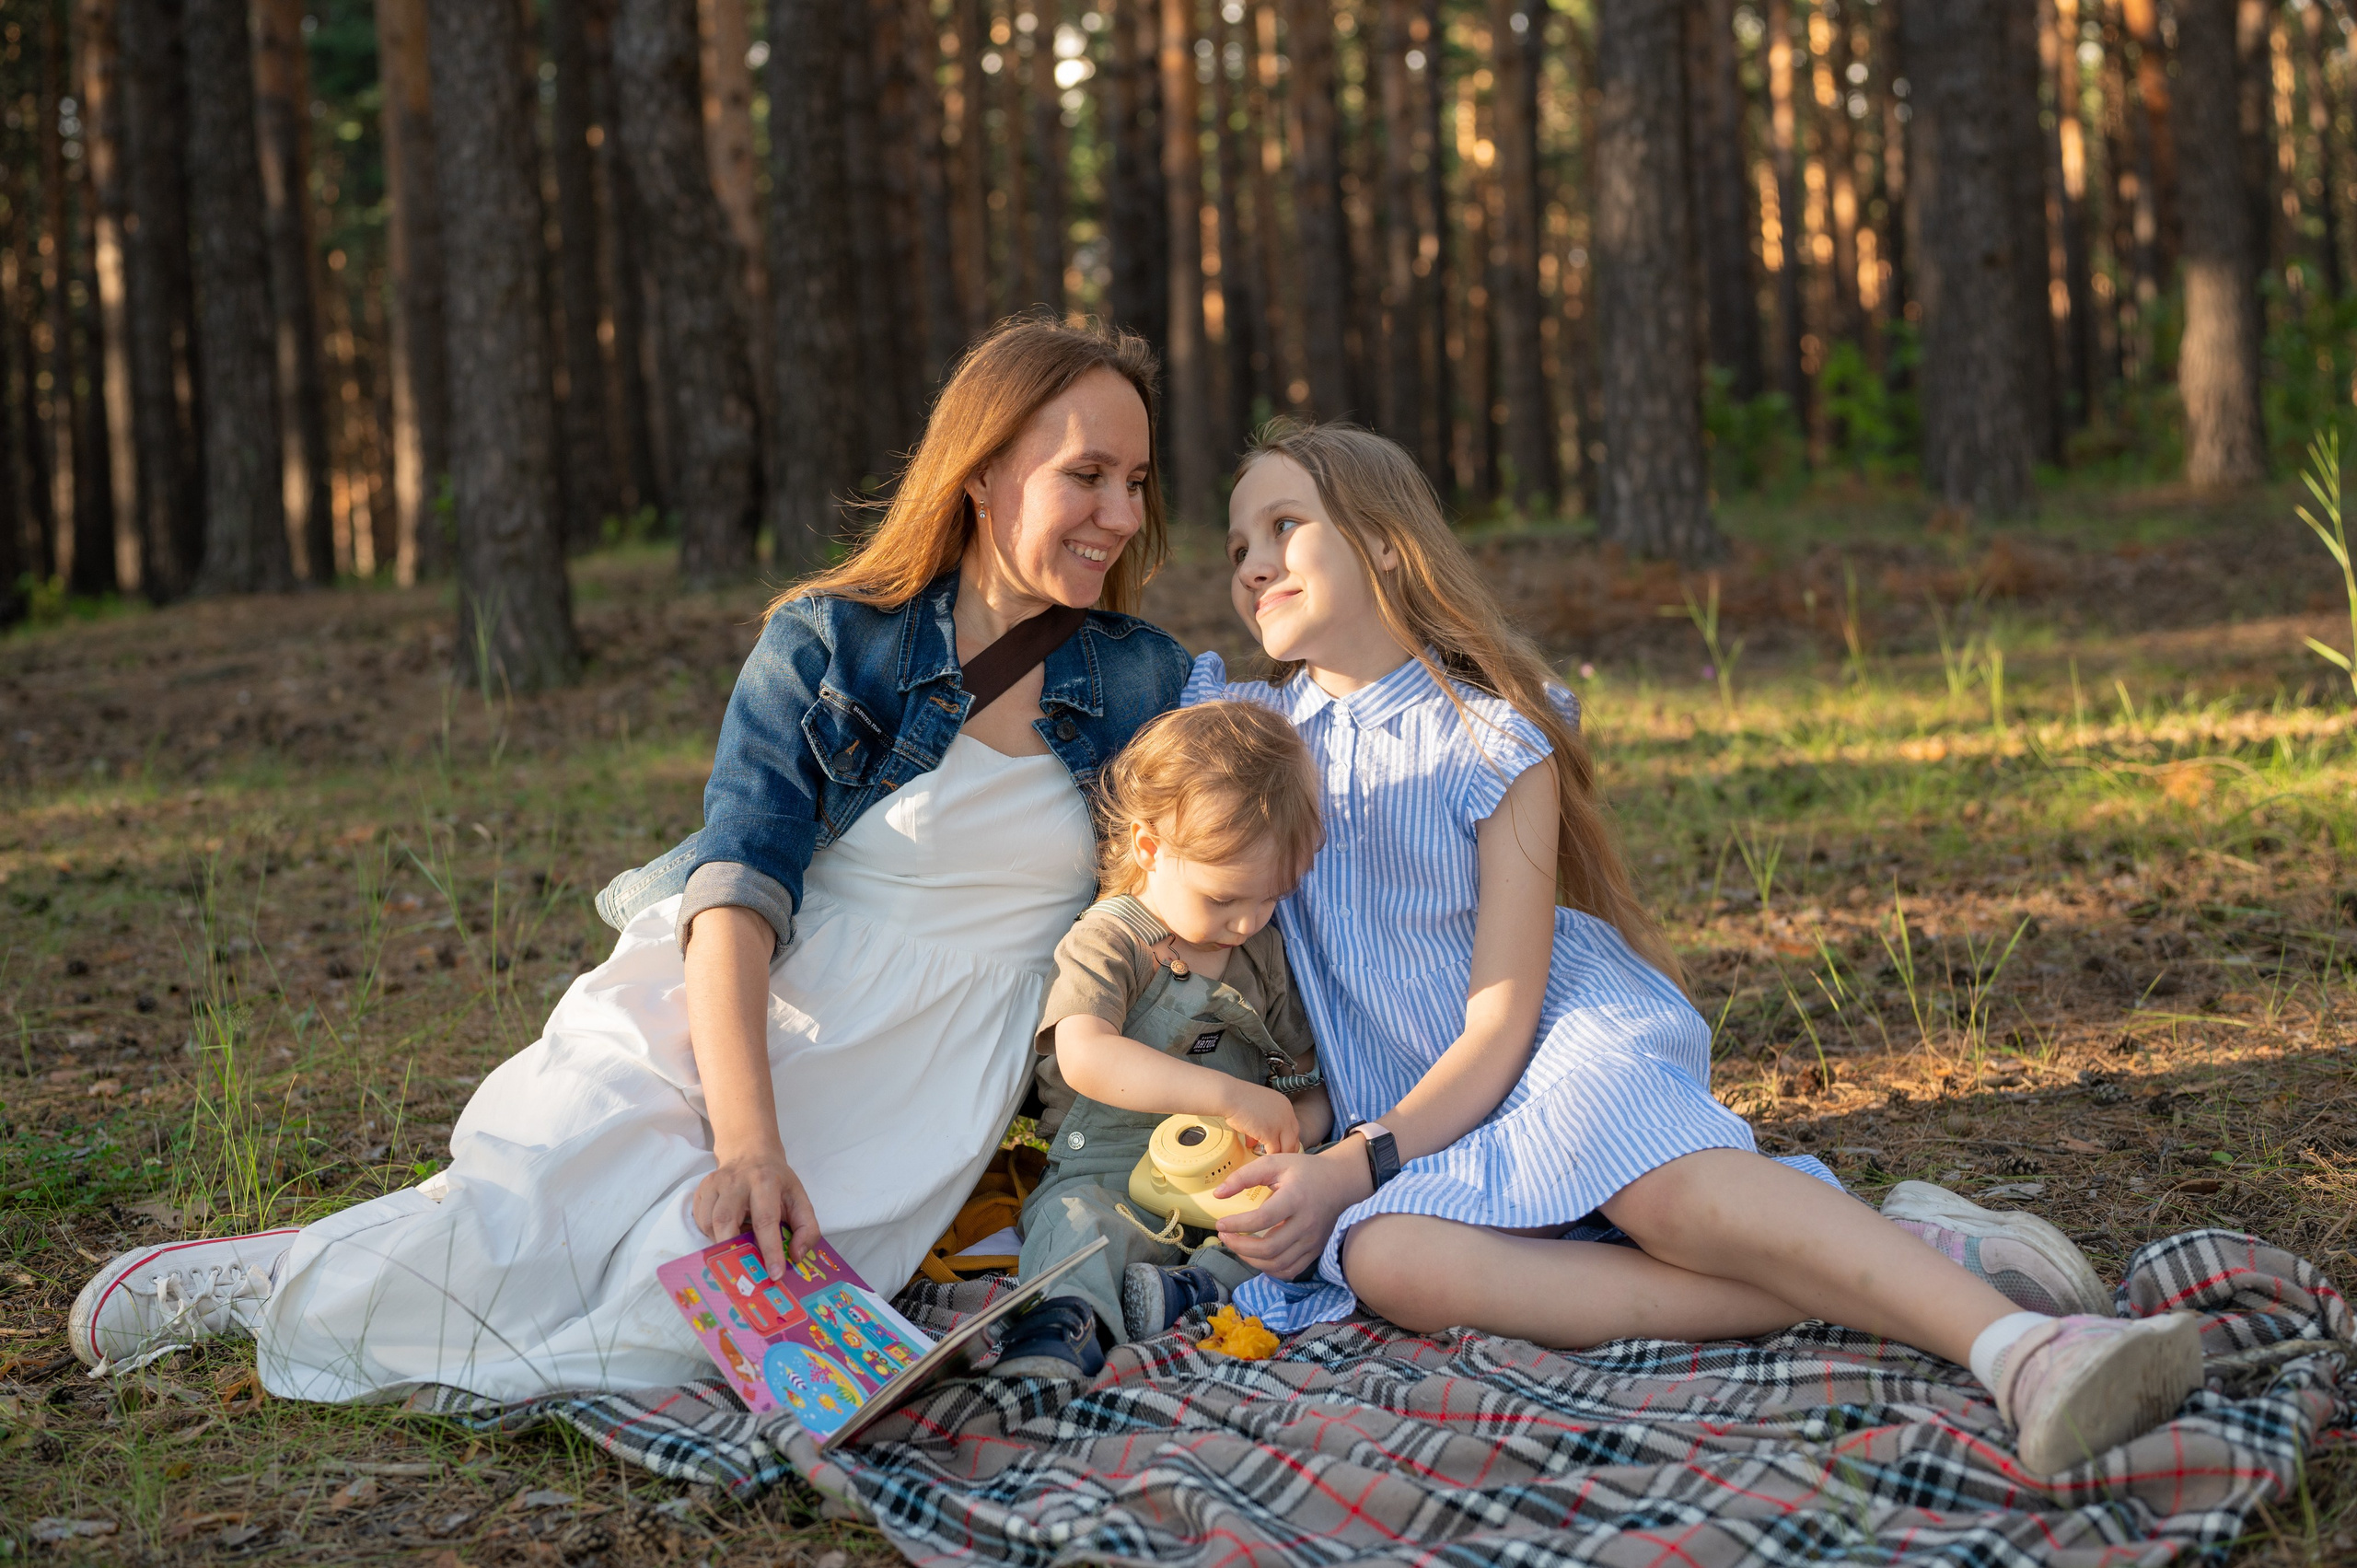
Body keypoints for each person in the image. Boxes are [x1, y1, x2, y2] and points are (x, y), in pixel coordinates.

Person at [68, 319, 1194, 1403]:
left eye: (1136, 482)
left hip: (912, 1091)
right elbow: (738, 891)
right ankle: (273, 1275)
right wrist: (747, 1145)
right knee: (518, 1237)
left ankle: (392, 1253)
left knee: (668, 1326)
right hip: (728, 1017)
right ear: (981, 470)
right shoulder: (830, 639)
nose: (1119, 514)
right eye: (1086, 475)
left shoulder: (1148, 681)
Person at [1158, 422, 2199, 1481]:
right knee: (1389, 1260)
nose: (1252, 563)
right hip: (1413, 1122)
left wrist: (1353, 1163)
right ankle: (1893, 1259)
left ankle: (2023, 1349)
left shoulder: (1490, 736)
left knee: (1655, 1195)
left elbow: (1501, 1021)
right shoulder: (1243, 736)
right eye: (1237, 543)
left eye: (1283, 526)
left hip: (1548, 1048)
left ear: (1385, 541)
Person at [990, 702, 1331, 1378]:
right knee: (1074, 1227)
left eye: (1270, 898)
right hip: (1108, 1171)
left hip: (1225, 1183)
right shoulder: (1109, 940)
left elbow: (1302, 1075)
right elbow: (1085, 1055)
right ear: (1149, 850)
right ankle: (1064, 1328)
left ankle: (1192, 1290)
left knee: (1295, 1227)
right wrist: (1230, 1096)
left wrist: (1294, 1134)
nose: (1247, 922)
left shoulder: (1260, 954)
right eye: (1224, 898)